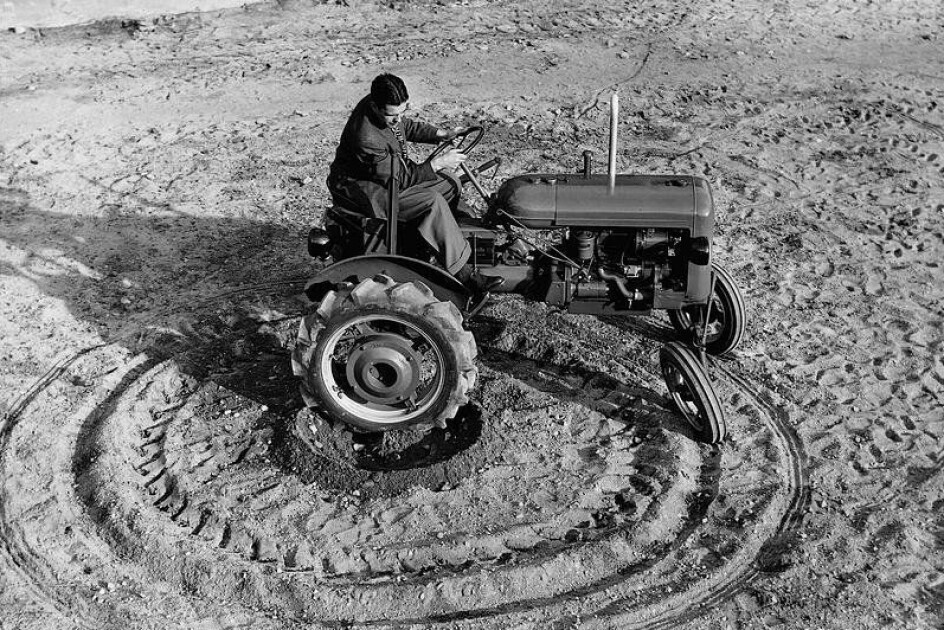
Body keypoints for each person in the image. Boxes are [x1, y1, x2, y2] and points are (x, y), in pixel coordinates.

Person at [326, 73, 502, 295]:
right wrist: (436, 164)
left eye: (403, 111)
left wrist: (441, 134)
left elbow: (403, 127)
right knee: (432, 202)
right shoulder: (365, 137)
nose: (398, 119)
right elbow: (399, 179)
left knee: (451, 182)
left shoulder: (383, 108)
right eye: (393, 115)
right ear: (375, 107)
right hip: (365, 190)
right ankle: (466, 276)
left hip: (386, 177)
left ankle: (440, 243)